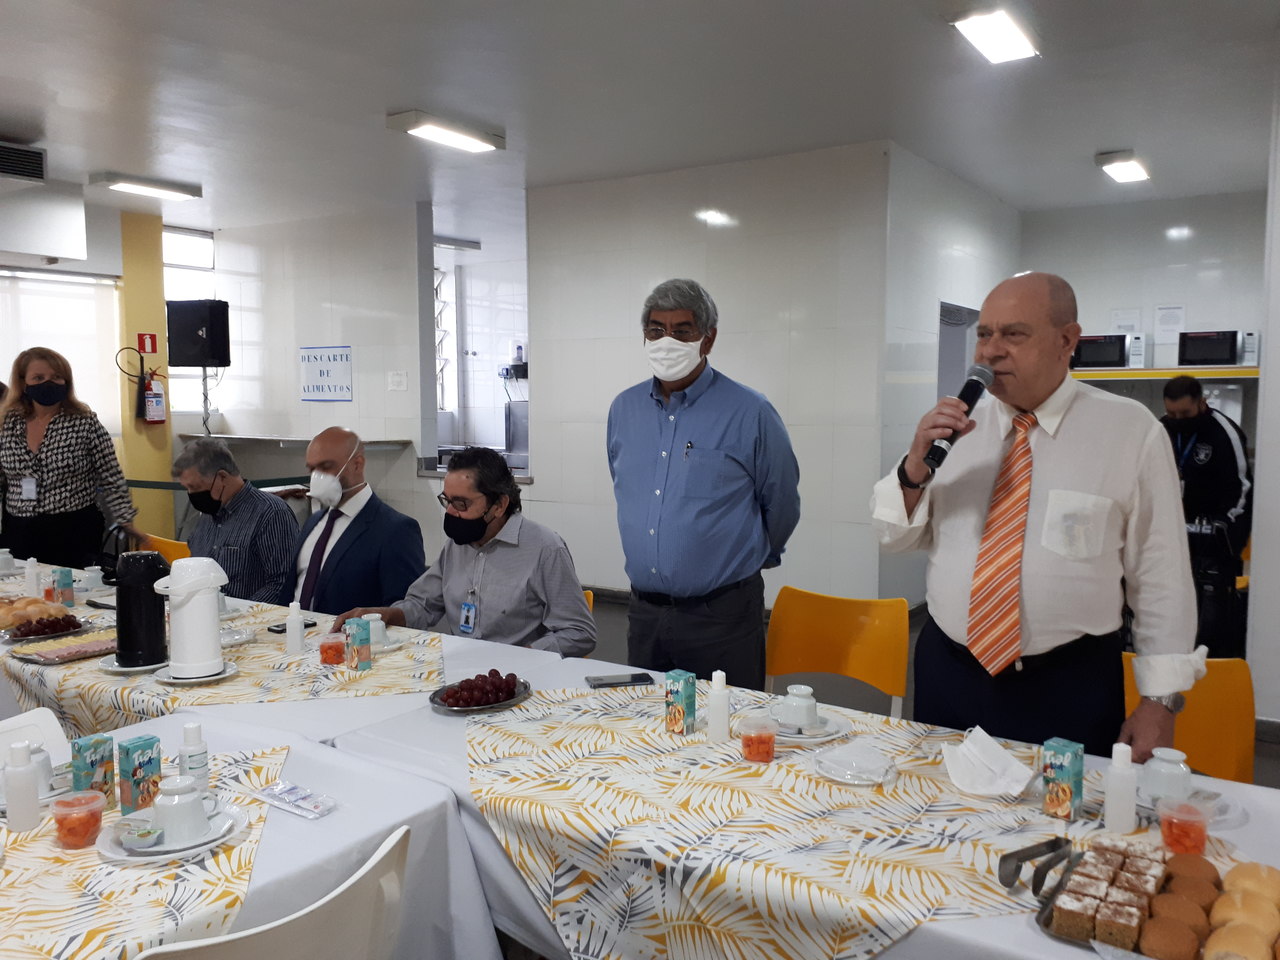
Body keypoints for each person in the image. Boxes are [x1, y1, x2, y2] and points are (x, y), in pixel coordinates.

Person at [872, 272, 1203, 761]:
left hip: (1067, 685)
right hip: (950, 672)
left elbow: (1162, 576)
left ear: (1067, 340)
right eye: (984, 334)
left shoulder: (1129, 432)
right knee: (937, 802)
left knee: (1062, 808)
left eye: (1014, 334)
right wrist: (913, 469)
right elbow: (894, 537)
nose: (991, 351)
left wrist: (1161, 701)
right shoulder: (956, 427)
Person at [606, 279, 801, 690]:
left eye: (682, 331)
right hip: (645, 615)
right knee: (649, 721)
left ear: (707, 339)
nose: (667, 342)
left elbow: (781, 500)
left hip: (721, 616)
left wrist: (757, 555)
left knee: (729, 722)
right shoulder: (624, 409)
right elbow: (624, 487)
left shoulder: (750, 411)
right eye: (656, 330)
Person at [336, 446, 595, 656]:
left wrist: (525, 655)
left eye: (461, 503)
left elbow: (579, 632)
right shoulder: (458, 544)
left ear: (499, 505)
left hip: (518, 679)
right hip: (461, 669)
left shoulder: (545, 550)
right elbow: (423, 605)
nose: (450, 512)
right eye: (447, 501)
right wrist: (385, 615)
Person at [0, 347, 141, 567]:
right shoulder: (7, 423)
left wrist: (125, 520)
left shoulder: (85, 421)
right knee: (21, 586)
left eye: (57, 377)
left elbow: (110, 475)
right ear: (23, 383)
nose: (48, 383)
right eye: (38, 378)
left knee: (71, 587)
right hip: (19, 528)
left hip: (73, 529)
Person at [276, 426, 425, 614]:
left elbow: (402, 613)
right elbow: (291, 592)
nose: (317, 476)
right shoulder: (314, 522)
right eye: (312, 469)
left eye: (326, 467)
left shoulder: (396, 530)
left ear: (357, 464)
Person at [1161, 374, 1252, 655]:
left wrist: (1224, 526)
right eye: (1172, 414)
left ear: (1202, 403)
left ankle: (1212, 667)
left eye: (1185, 413)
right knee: (1168, 615)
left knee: (1210, 627)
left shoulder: (1225, 433)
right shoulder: (1160, 429)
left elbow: (1243, 489)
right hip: (1169, 539)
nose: (1178, 420)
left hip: (1214, 541)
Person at [172, 437, 297, 602]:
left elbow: (282, 584)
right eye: (187, 488)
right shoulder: (207, 515)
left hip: (252, 616)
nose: (191, 494)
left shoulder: (271, 514)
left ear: (222, 477)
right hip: (204, 612)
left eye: (195, 487)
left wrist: (242, 613)